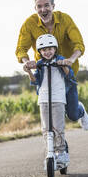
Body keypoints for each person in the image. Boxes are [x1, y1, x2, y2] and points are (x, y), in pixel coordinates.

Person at [15, 0, 88, 130]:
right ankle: (59, 148)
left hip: (66, 71)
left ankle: (81, 110)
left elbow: (79, 44)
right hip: (45, 74)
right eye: (39, 6)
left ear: (53, 6)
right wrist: (27, 62)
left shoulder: (65, 19)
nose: (43, 10)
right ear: (35, 8)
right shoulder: (29, 24)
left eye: (46, 5)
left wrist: (70, 60)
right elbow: (21, 48)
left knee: (73, 114)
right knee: (51, 116)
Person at [23, 34, 73, 163]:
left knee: (58, 127)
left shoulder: (60, 59)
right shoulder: (39, 64)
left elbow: (69, 75)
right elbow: (35, 81)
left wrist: (63, 64)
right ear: (40, 52)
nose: (47, 52)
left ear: (55, 49)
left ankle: (61, 152)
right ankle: (50, 151)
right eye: (44, 50)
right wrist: (28, 71)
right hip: (44, 99)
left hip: (58, 98)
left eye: (50, 49)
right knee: (46, 128)